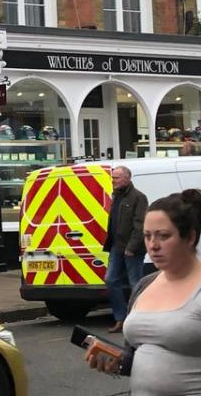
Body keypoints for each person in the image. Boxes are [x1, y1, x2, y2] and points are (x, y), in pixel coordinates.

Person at [84, 189, 201, 395]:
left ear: (190, 237)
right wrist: (115, 362)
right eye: (147, 236)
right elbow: (134, 356)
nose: (153, 246)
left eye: (163, 236)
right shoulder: (144, 285)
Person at [104, 165, 148, 333]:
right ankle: (120, 318)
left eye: (116, 178)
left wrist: (132, 247)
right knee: (110, 280)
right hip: (116, 246)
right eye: (112, 177)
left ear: (127, 178)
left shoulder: (138, 197)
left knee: (135, 283)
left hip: (132, 248)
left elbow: (140, 225)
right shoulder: (116, 196)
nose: (113, 181)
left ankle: (137, 319)